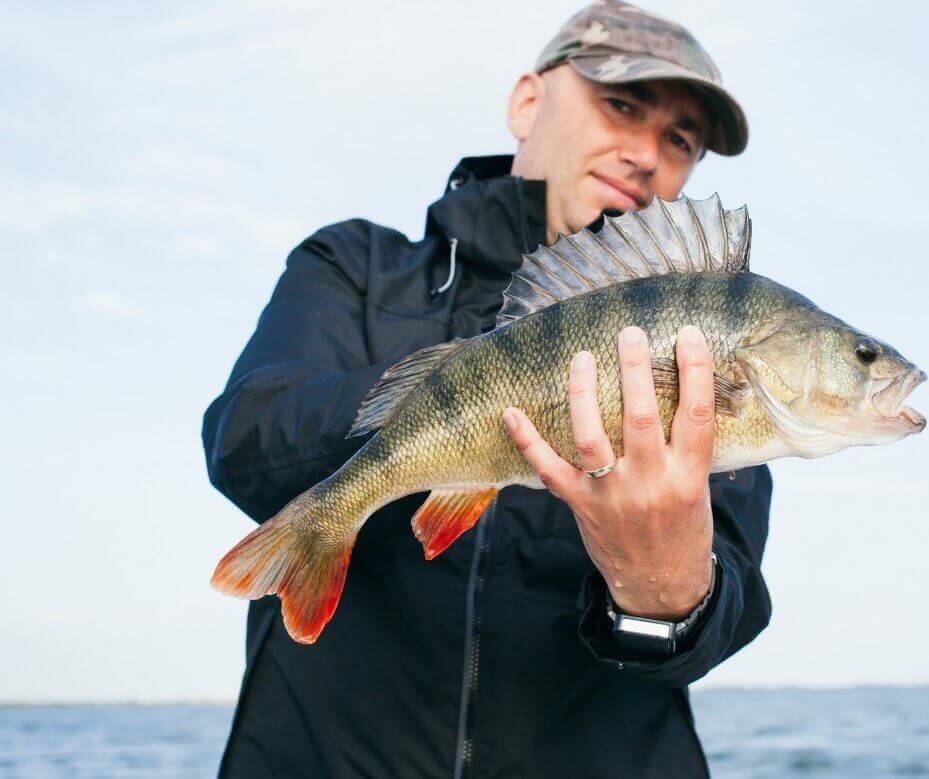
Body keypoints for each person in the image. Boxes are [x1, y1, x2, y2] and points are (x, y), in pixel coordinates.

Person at [202, 2, 773, 776]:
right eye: (622, 104)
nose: (645, 152)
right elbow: (245, 438)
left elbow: (721, 609)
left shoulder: (696, 348)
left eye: (680, 139)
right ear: (527, 103)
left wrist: (665, 595)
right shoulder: (353, 265)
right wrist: (464, 399)